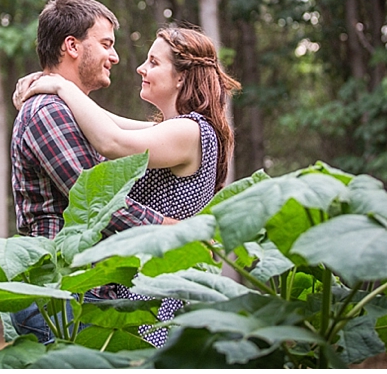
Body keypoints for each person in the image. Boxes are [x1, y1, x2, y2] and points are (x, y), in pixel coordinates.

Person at [17, 23, 242, 347]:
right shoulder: (178, 129)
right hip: (146, 282)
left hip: (156, 289)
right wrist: (51, 87)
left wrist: (60, 87)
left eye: (153, 62)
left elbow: (111, 140)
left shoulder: (191, 131)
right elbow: (107, 120)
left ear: (181, 76)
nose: (140, 67)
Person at [9, 0, 178, 344]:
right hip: (58, 295)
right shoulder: (48, 111)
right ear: (72, 46)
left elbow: (126, 133)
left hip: (78, 291)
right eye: (105, 44)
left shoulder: (68, 109)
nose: (115, 56)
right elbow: (98, 205)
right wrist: (177, 231)